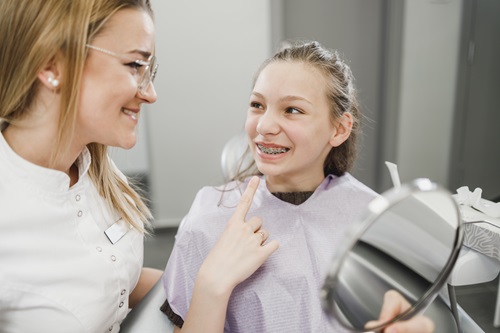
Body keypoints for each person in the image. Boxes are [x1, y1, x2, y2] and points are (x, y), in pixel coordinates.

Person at [0, 0, 276, 332]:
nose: (151, 94)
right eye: (134, 65)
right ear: (52, 66)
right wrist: (211, 284)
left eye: (149, 70)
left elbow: (113, 285)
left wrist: (198, 285)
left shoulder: (95, 173)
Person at [161, 41, 435, 332]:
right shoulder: (210, 217)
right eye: (257, 105)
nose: (264, 126)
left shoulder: (373, 218)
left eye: (292, 110)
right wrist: (212, 283)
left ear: (339, 129)